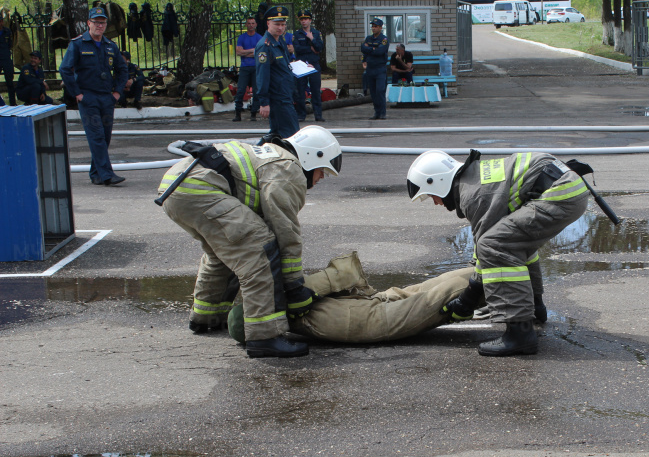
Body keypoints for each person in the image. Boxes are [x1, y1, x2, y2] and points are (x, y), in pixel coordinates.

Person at [157, 127, 343, 358]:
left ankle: (207, 316)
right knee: (258, 251)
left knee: (225, 253)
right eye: (322, 170)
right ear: (311, 156)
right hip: (200, 189)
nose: (322, 177)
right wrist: (294, 288)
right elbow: (285, 230)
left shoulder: (271, 154)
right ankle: (264, 336)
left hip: (178, 188)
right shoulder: (288, 167)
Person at [406, 150, 591, 356]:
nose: (436, 202)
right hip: (567, 188)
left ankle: (520, 334)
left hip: (561, 195)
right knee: (513, 241)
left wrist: (468, 298)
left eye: (432, 196)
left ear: (437, 182)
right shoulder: (472, 180)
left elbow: (487, 249)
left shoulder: (475, 195)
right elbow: (484, 247)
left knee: (496, 245)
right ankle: (536, 308)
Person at [228, 252, 479, 345]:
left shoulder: (295, 315)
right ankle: (502, 276)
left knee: (432, 287)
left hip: (373, 305)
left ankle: (494, 269)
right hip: (377, 318)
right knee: (444, 295)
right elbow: (341, 274)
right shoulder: (296, 311)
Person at [59, 7, 128, 186]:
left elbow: (122, 70)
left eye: (102, 22)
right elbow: (65, 69)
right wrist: (77, 94)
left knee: (104, 137)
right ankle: (107, 175)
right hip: (88, 98)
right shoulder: (78, 44)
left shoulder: (110, 45)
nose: (99, 25)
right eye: (96, 22)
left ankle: (96, 173)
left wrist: (117, 93)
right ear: (88, 23)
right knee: (96, 136)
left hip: (106, 98)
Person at [255, 6, 300, 139]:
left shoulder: (279, 40)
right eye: (277, 24)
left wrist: (301, 66)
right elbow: (262, 75)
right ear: (268, 23)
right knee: (290, 135)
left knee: (279, 135)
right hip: (277, 98)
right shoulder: (265, 46)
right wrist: (263, 102)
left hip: (285, 94)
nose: (280, 28)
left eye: (283, 24)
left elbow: (284, 65)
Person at [293, 9, 325, 122]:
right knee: (300, 92)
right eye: (301, 19)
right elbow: (297, 49)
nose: (304, 21)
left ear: (310, 20)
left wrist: (312, 39)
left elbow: (319, 48)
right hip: (301, 66)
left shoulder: (316, 33)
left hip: (314, 65)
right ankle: (301, 114)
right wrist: (310, 48)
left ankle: (318, 115)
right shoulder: (297, 34)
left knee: (315, 91)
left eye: (306, 19)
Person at [232, 16, 262, 122]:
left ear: (256, 25)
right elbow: (239, 52)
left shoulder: (259, 38)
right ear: (246, 24)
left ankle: (253, 113)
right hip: (244, 67)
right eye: (249, 23)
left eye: (253, 23)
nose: (251, 25)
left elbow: (260, 53)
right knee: (240, 90)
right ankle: (237, 113)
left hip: (256, 67)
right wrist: (252, 51)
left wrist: (247, 52)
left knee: (256, 90)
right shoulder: (242, 37)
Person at [360, 18, 389, 120]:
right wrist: (372, 48)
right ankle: (376, 112)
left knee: (380, 90)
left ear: (381, 28)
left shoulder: (384, 39)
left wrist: (370, 49)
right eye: (372, 26)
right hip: (370, 68)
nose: (373, 28)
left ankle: (382, 112)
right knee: (372, 92)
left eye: (376, 26)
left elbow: (380, 51)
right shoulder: (368, 38)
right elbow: (362, 48)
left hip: (380, 68)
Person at [0, 12, 16, 106]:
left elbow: (10, 44)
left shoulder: (7, 31)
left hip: (6, 59)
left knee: (10, 82)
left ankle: (13, 103)